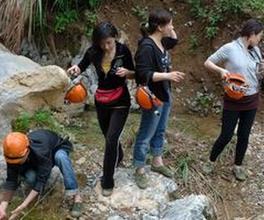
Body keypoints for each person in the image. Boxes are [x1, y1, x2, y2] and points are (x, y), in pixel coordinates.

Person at [67, 21, 134, 196]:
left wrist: (128, 73)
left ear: (115, 38)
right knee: (109, 137)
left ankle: (108, 180)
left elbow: (136, 73)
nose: (106, 46)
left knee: (111, 139)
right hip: (102, 100)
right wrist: (75, 69)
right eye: (102, 43)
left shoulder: (123, 51)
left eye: (109, 42)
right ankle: (118, 156)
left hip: (121, 100)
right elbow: (81, 66)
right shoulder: (93, 52)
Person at [203, 19, 264, 181]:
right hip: (233, 99)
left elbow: (256, 72)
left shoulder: (256, 50)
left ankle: (238, 166)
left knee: (244, 135)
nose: (260, 39)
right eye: (259, 36)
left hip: (252, 99)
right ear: (251, 35)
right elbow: (208, 62)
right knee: (226, 135)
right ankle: (211, 161)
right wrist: (221, 70)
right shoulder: (229, 48)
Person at [133, 8, 185, 189]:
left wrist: (170, 30)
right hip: (152, 97)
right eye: (170, 24)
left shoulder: (162, 42)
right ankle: (139, 167)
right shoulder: (147, 47)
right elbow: (142, 75)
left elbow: (175, 40)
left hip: (164, 94)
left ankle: (157, 161)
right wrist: (168, 76)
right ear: (160, 27)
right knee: (146, 132)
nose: (172, 26)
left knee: (160, 130)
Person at [0, 129, 82, 220]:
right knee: (31, 178)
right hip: (34, 160)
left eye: (18, 160)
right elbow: (11, 181)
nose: (15, 163)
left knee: (61, 157)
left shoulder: (42, 150)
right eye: (13, 161)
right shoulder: (12, 153)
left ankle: (77, 197)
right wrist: (2, 208)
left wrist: (23, 205)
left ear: (27, 151)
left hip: (56, 149)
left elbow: (41, 181)